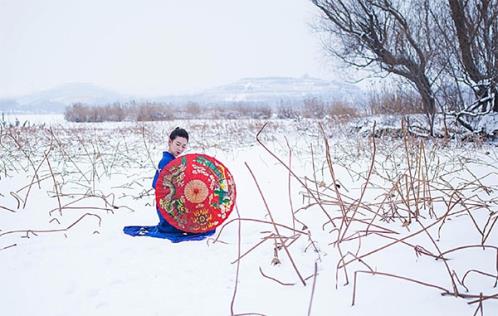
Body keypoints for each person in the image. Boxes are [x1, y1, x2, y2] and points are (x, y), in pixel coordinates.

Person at [123, 127, 216, 242]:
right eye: (177, 144)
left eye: (183, 146)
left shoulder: (172, 161)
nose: (180, 148)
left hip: (172, 206)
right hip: (168, 210)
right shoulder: (166, 161)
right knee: (204, 227)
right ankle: (171, 225)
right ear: (170, 142)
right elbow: (158, 186)